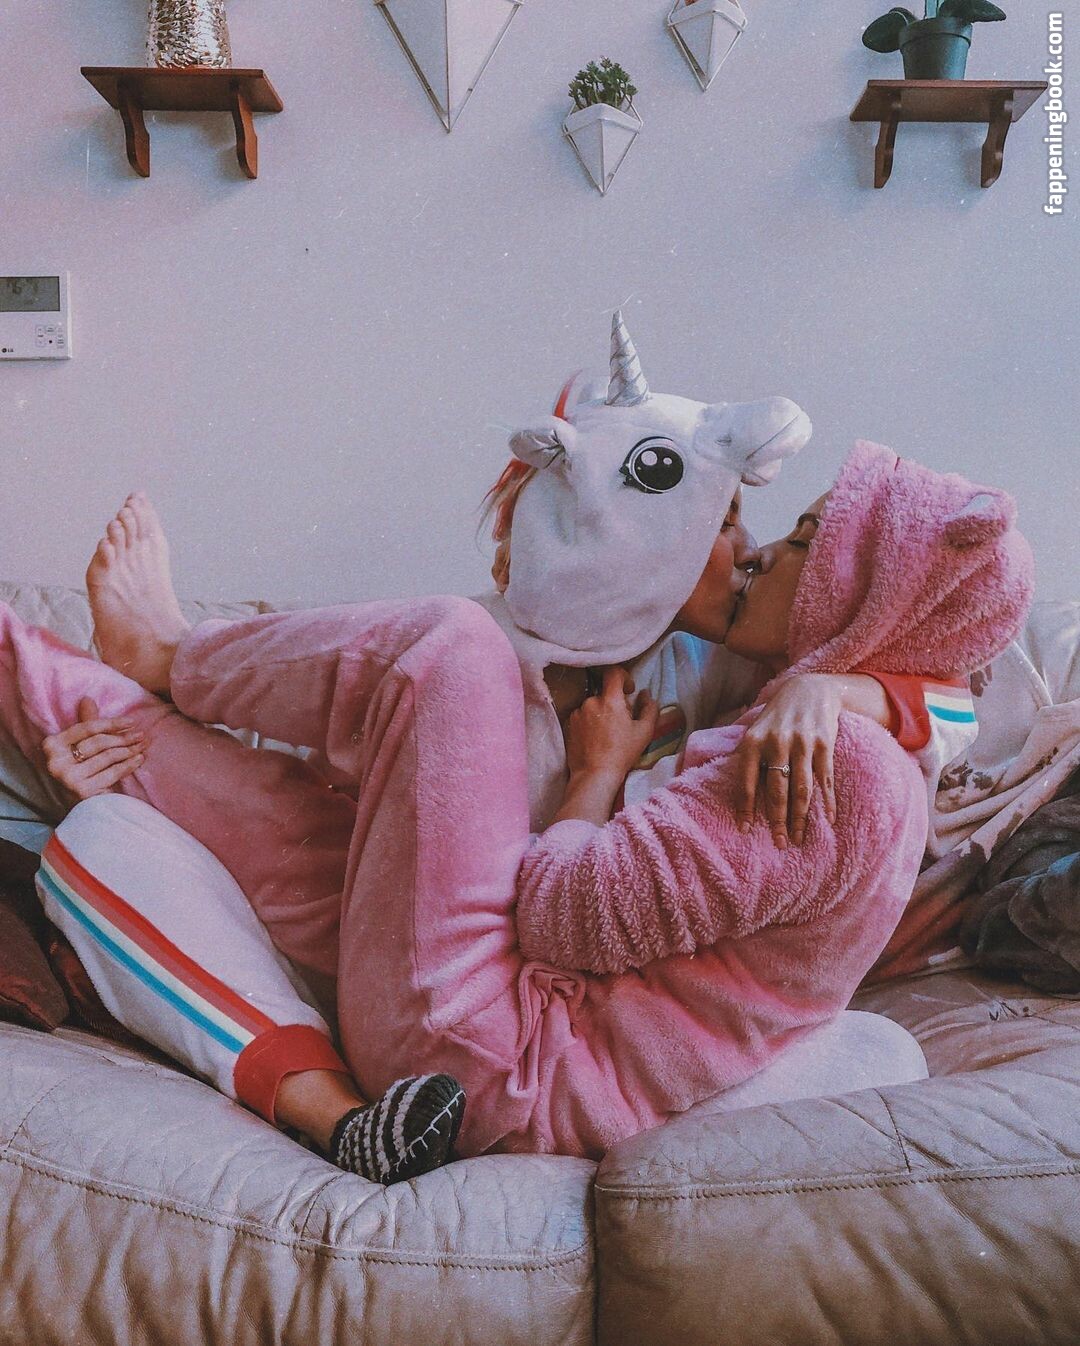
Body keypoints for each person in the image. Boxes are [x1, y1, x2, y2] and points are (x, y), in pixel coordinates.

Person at [29, 433, 1033, 1165]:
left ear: (868, 598)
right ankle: (146, 713)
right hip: (475, 999)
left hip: (504, 1049)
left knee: (449, 643)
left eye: (795, 540)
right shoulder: (801, 713)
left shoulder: (787, 732)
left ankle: (172, 654)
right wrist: (851, 686)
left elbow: (557, 913)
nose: (755, 551)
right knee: (108, 825)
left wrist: (601, 771)